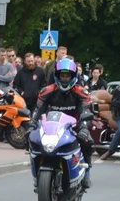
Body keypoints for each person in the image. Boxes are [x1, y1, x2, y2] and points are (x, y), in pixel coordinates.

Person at [32, 58, 95, 188]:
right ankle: (37, 172)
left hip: (75, 126)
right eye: (62, 75)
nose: (65, 78)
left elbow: (86, 110)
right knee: (34, 141)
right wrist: (31, 125)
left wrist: (83, 128)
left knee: (88, 142)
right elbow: (38, 110)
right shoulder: (47, 91)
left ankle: (87, 172)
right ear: (57, 75)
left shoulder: (82, 92)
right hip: (52, 127)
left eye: (68, 75)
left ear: (73, 76)